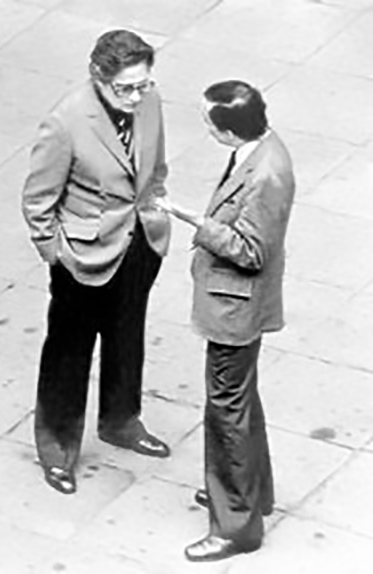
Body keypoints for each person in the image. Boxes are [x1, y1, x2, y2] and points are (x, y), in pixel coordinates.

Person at [21, 29, 172, 496]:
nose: (134, 96)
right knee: (69, 351)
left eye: (141, 84)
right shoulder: (65, 122)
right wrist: (57, 254)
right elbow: (38, 200)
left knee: (128, 336)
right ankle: (58, 446)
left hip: (138, 242)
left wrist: (155, 212)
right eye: (123, 88)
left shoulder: (149, 101)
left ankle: (121, 420)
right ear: (98, 78)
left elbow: (156, 164)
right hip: (83, 255)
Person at [155, 80, 295, 561]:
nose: (206, 128)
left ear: (230, 130)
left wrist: (195, 221)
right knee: (241, 401)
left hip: (235, 307)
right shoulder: (259, 154)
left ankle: (235, 524)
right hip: (237, 304)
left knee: (225, 412)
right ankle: (252, 492)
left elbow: (251, 251)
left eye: (209, 122)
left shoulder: (265, 174)